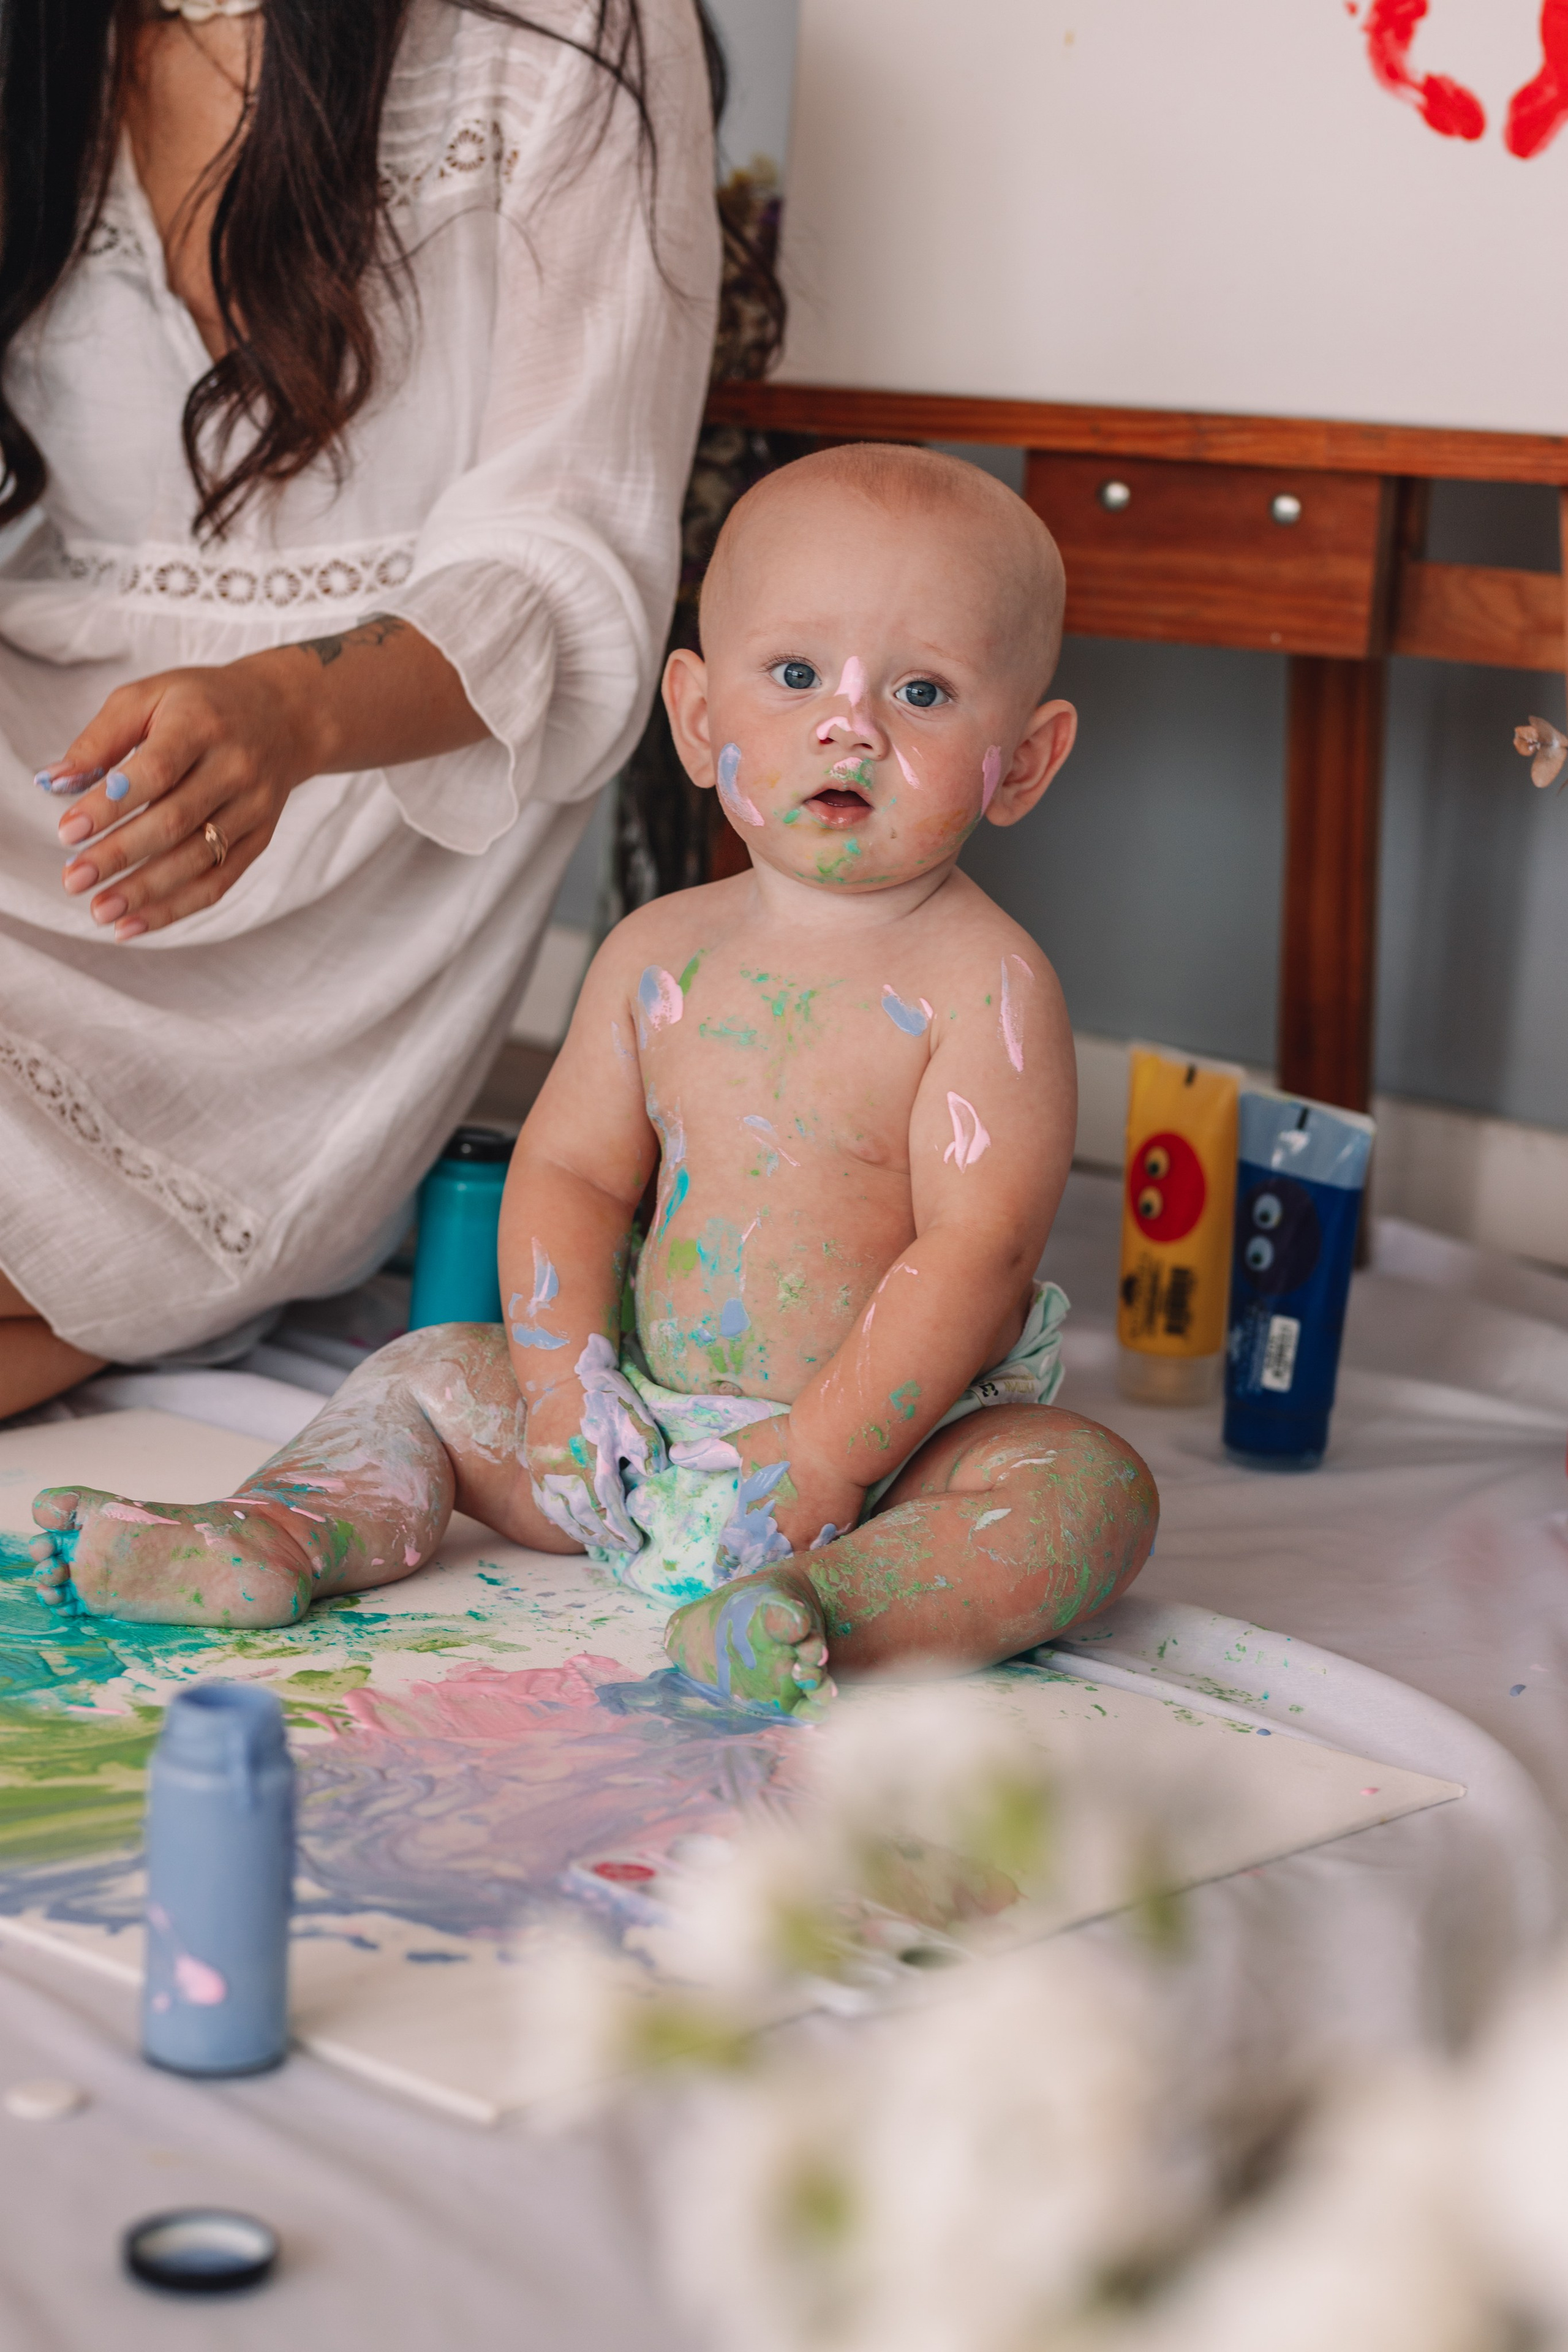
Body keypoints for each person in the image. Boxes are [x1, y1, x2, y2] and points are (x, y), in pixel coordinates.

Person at [29, 444, 1159, 1712]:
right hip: (633, 1437)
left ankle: (818, 1612)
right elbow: (569, 1172)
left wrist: (828, 1456)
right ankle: (285, 1530)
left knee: (1085, 1492)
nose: (849, 725)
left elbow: (978, 1251)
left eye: (923, 691)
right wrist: (566, 1388)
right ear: (698, 718)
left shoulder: (987, 988)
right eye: (796, 675)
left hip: (896, 1461)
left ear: (1024, 760)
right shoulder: (654, 956)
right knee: (423, 1372)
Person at [0, 0, 720, 1417]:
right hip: (45, 776)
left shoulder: (577, 28)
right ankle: (120, 1305)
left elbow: (567, 555)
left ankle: (146, 1271)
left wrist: (293, 712)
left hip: (356, 822)